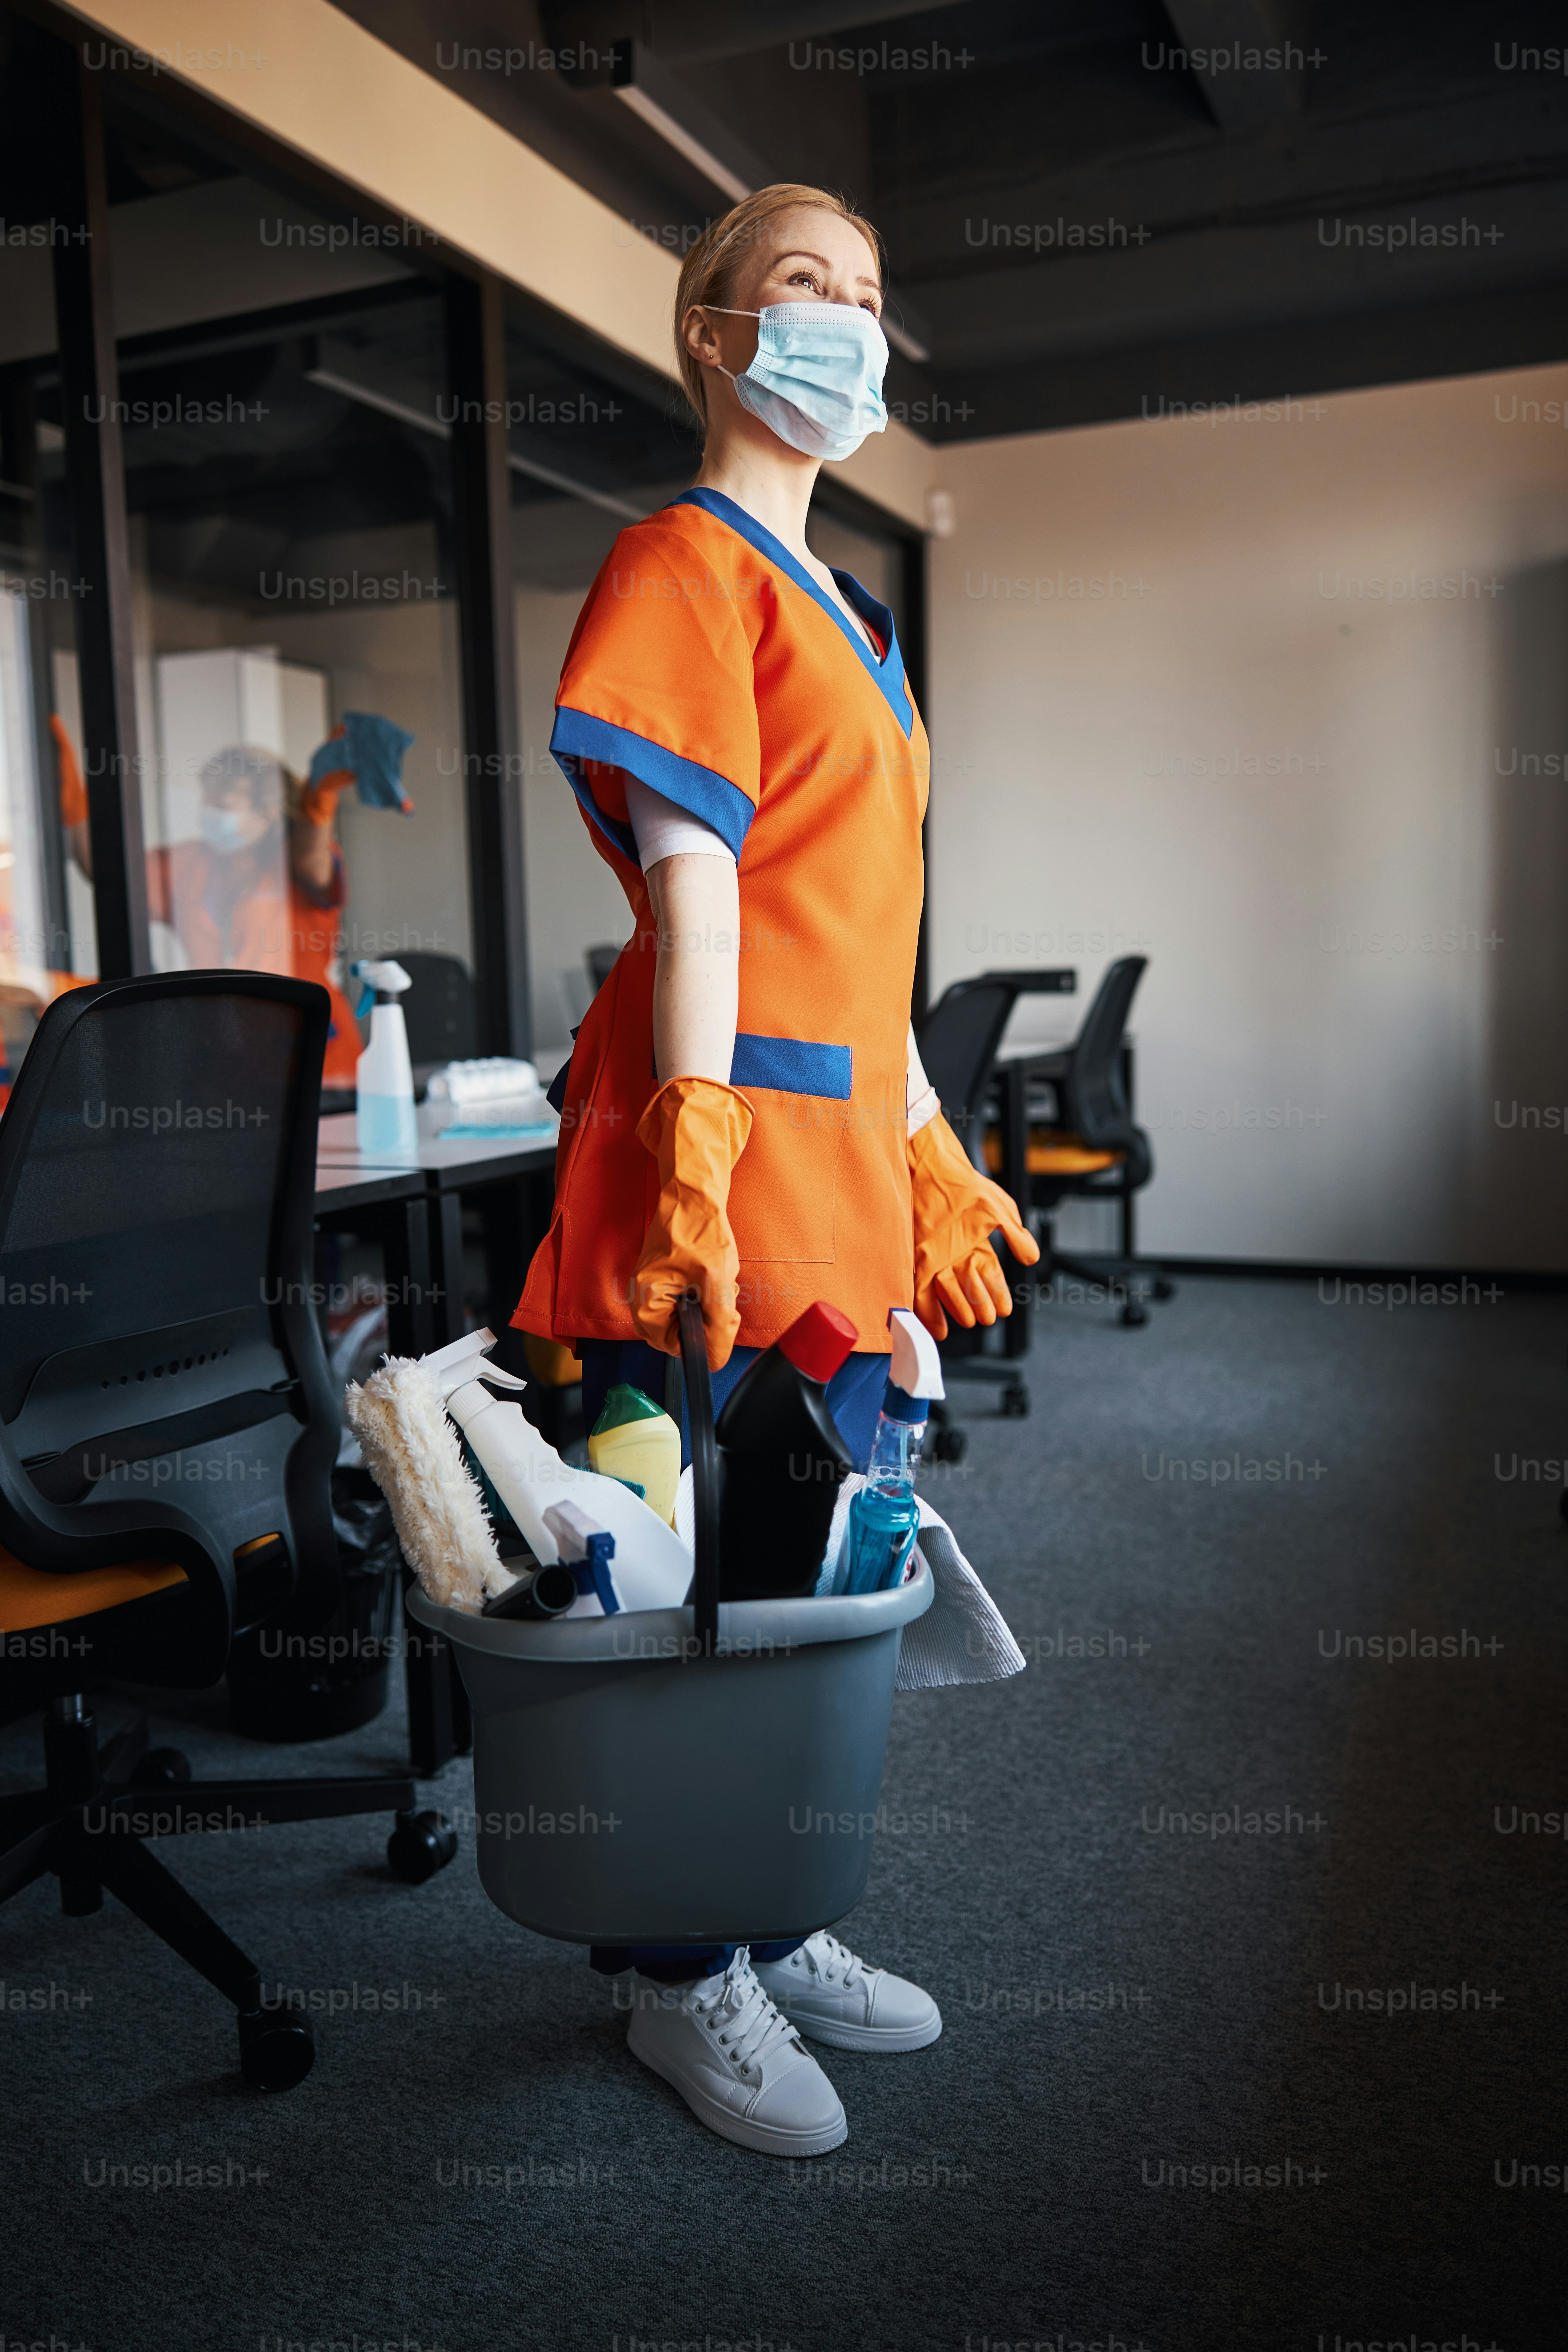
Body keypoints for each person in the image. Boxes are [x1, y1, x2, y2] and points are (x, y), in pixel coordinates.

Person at [513, 182, 1040, 2158]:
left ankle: (768, 1911)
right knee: (689, 1580)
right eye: (802, 285)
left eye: (868, 296)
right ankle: (677, 1974)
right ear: (714, 331)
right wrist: (695, 1151)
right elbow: (702, 896)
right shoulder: (684, 563)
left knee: (822, 1564)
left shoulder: (861, 625)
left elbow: (863, 949)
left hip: (836, 1160)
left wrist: (926, 1150)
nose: (844, 321)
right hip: (708, 1152)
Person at [52, 719, 402, 1090]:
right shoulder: (190, 864)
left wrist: (321, 794)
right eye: (207, 799)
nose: (209, 812)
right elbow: (107, 873)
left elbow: (313, 859)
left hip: (316, 1061)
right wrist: (67, 785)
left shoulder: (292, 861)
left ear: (266, 814)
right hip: (224, 1059)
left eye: (222, 804)